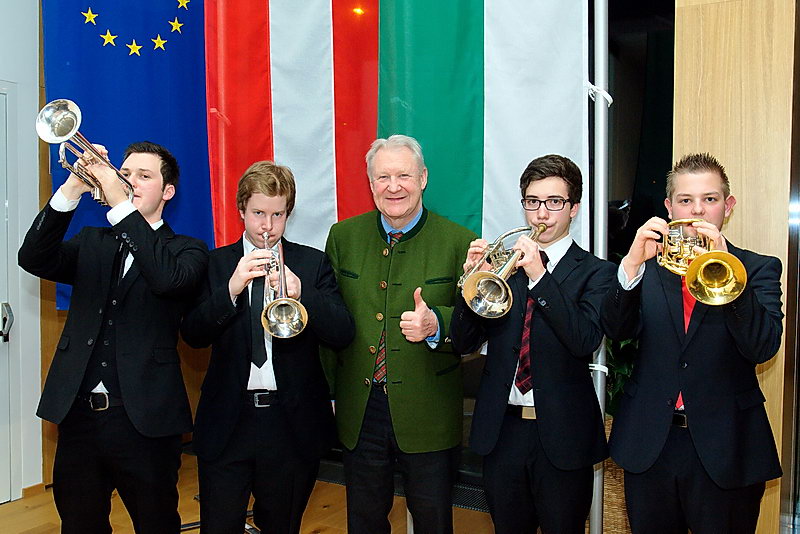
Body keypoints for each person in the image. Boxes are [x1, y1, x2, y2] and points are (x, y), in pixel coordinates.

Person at [18, 141, 209, 533]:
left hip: (145, 420)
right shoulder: (92, 241)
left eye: (144, 176)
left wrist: (121, 203)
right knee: (79, 523)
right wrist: (72, 187)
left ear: (168, 191)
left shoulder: (188, 250)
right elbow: (33, 257)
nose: (131, 181)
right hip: (79, 416)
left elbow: (165, 279)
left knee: (156, 523)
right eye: (126, 173)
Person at [601, 153, 783, 534]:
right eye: (686, 200)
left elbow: (762, 347)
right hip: (651, 443)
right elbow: (615, 330)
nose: (697, 210)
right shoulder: (646, 267)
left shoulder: (758, 268)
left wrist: (729, 273)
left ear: (728, 207)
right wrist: (630, 267)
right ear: (669, 208)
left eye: (709, 199)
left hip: (727, 447)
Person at [180, 161, 354, 534]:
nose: (267, 226)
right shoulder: (215, 264)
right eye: (258, 213)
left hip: (290, 424)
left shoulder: (311, 262)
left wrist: (302, 293)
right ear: (241, 210)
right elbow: (193, 334)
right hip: (228, 420)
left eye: (278, 215)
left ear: (288, 213)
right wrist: (231, 289)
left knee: (282, 525)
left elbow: (342, 332)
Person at [450, 154, 614, 533]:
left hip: (563, 436)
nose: (541, 214)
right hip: (502, 431)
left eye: (554, 202)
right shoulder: (505, 268)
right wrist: (472, 283)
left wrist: (540, 276)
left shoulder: (597, 272)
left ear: (574, 208)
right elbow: (463, 342)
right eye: (532, 201)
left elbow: (584, 339)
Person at [323, 134, 476, 534]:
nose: (393, 187)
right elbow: (331, 322)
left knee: (433, 521)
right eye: (383, 177)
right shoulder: (342, 237)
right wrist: (331, 393)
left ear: (423, 178)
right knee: (365, 521)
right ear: (370, 182)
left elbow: (474, 327)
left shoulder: (459, 241)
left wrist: (436, 323)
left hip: (429, 411)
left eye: (404, 175)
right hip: (360, 410)